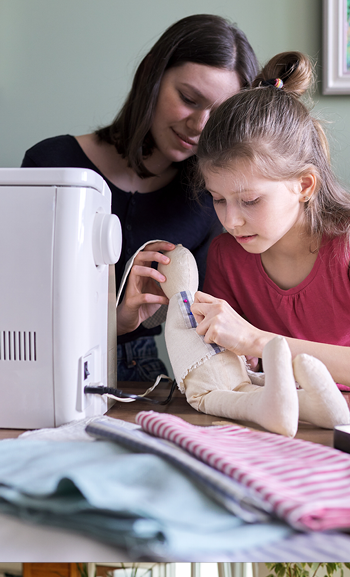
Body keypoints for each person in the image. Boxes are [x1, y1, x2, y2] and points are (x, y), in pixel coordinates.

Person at [22, 14, 256, 384]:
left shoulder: (211, 196)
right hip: (44, 365)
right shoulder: (51, 166)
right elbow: (19, 305)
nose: (200, 125)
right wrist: (115, 322)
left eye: (219, 113)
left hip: (145, 374)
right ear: (151, 76)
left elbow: (203, 321)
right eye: (188, 99)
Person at [190, 51, 350, 402]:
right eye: (218, 199)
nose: (231, 221)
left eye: (250, 200)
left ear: (304, 185)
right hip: (300, 412)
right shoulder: (227, 256)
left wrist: (256, 341)